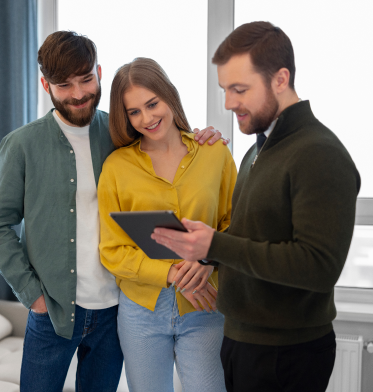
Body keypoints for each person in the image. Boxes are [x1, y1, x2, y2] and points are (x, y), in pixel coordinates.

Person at [0, 31, 225, 392]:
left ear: (98, 72)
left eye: (86, 79)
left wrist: (202, 137)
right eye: (64, 84)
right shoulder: (21, 145)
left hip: (115, 310)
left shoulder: (119, 132)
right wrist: (32, 295)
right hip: (53, 310)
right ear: (46, 84)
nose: (78, 93)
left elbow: (166, 146)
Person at [151, 22, 361, 392]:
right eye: (225, 90)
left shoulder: (319, 154)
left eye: (240, 89)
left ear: (281, 79)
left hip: (286, 353)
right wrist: (205, 251)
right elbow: (255, 233)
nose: (229, 103)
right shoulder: (259, 148)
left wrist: (215, 246)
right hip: (243, 341)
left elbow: (318, 267)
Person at [98, 57, 237, 392]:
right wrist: (173, 273)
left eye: (152, 104)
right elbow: (113, 251)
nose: (147, 118)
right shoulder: (116, 167)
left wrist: (209, 258)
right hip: (141, 311)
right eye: (134, 112)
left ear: (169, 95)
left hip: (205, 304)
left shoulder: (214, 153)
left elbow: (238, 225)